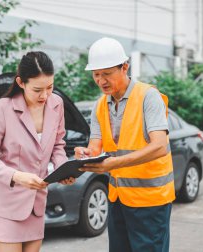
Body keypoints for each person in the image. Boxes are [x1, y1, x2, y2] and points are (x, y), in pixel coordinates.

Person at [75, 37, 175, 252]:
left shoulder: (148, 97)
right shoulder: (100, 106)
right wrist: (84, 154)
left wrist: (115, 163)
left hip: (151, 200)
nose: (101, 80)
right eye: (96, 75)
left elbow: (159, 146)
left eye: (107, 73)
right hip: (118, 197)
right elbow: (95, 148)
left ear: (125, 67)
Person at [0, 51, 75, 252]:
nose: (45, 95)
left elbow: (58, 144)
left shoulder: (56, 104)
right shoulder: (2, 108)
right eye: (38, 89)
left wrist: (63, 168)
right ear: (21, 82)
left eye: (50, 87)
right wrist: (17, 176)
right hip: (6, 204)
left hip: (36, 204)